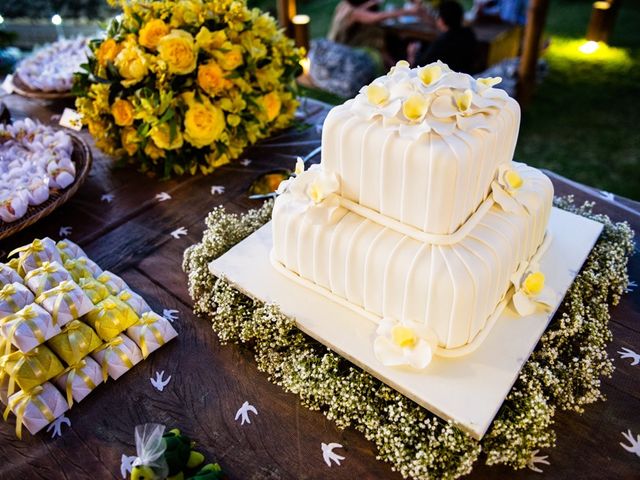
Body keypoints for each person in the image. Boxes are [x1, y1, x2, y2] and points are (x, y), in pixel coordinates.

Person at [328, 0, 419, 65]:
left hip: (347, 42)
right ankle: (405, 64)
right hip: (349, 46)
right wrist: (409, 11)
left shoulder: (346, 5)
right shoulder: (352, 13)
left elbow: (363, 8)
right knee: (378, 43)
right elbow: (377, 17)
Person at [412, 0, 478, 74]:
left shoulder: (442, 42)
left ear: (441, 20)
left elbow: (418, 66)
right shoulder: (469, 34)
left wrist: (412, 54)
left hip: (447, 81)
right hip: (467, 76)